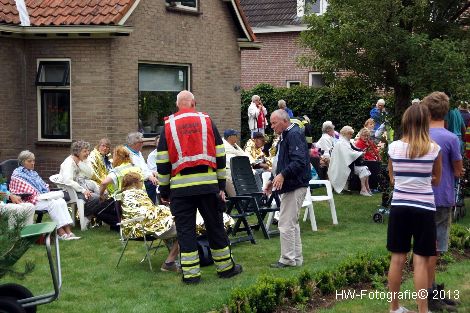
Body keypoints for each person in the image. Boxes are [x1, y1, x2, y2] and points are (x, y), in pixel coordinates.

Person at [157, 90, 242, 284]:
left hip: (180, 189)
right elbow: (220, 155)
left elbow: (163, 162)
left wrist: (164, 190)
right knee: (215, 227)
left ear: (178, 105)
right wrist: (221, 184)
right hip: (208, 186)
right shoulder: (207, 121)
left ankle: (191, 275)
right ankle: (226, 269)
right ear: (194, 103)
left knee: (186, 231)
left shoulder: (168, 125)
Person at [386, 104, 442, 313]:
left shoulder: (393, 148)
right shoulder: (434, 149)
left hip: (400, 207)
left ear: (406, 122)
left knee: (397, 258)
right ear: (425, 122)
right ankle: (423, 310)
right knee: (420, 261)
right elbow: (436, 180)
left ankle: (394, 308)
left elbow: (392, 178)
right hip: (424, 207)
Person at [422, 92, 463, 312]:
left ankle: (431, 288)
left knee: (426, 248)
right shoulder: (450, 138)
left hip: (419, 197)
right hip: (441, 195)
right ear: (446, 112)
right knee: (434, 250)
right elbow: (457, 170)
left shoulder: (418, 135)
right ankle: (430, 293)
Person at [265, 109, 310, 268]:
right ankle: (296, 259)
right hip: (293, 184)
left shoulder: (293, 135)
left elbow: (299, 162)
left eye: (274, 123)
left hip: (295, 185)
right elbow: (282, 162)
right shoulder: (287, 136)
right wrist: (273, 179)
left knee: (285, 223)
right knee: (292, 223)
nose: (271, 126)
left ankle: (287, 259)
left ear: (285, 121)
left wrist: (282, 175)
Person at [10, 150, 79, 240]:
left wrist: (44, 193)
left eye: (33, 161)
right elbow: (20, 190)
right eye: (29, 161)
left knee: (60, 201)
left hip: (41, 198)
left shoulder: (33, 173)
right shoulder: (17, 174)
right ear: (22, 162)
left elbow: (43, 186)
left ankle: (68, 231)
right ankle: (60, 232)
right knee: (53, 204)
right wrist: (39, 194)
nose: (32, 163)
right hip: (28, 200)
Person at [120, 172, 180, 272]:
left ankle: (174, 259)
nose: (142, 183)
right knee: (187, 229)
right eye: (141, 181)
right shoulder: (133, 194)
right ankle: (169, 262)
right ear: (135, 183)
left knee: (179, 224)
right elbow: (144, 213)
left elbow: (148, 210)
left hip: (148, 224)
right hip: (147, 227)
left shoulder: (130, 194)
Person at [59, 140, 102, 220]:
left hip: (79, 187)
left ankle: (93, 217)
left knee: (102, 194)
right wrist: (83, 190)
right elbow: (68, 181)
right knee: (95, 198)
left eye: (88, 150)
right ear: (77, 152)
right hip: (69, 191)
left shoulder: (83, 159)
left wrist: (79, 163)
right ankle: (84, 217)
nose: (87, 153)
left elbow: (90, 174)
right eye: (84, 151)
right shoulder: (69, 162)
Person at [328, 126, 372, 196]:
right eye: (350, 134)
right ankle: (364, 189)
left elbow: (353, 150)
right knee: (364, 169)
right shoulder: (341, 143)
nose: (351, 135)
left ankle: (366, 188)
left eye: (352, 134)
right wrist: (361, 153)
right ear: (345, 133)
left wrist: (361, 152)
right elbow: (349, 154)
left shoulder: (346, 142)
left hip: (346, 165)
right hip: (341, 166)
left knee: (365, 168)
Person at [125, 132, 158, 204]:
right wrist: (149, 176)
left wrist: (151, 173)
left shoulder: (138, 152)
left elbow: (144, 167)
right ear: (134, 143)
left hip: (144, 178)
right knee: (152, 184)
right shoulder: (127, 154)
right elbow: (135, 170)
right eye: (141, 142)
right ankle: (150, 207)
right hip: (136, 182)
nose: (142, 144)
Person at [222, 129, 249, 197]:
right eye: (235, 135)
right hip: (233, 172)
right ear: (229, 137)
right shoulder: (225, 149)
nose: (237, 137)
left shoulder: (235, 146)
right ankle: (240, 199)